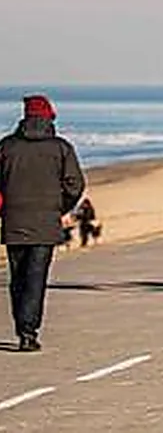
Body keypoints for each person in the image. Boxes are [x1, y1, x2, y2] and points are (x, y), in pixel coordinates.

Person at [0, 96, 85, 352]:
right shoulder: (61, 148)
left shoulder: (6, 147)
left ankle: (23, 327)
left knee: (18, 279)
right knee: (36, 278)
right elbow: (75, 185)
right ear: (49, 118)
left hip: (14, 221)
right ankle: (28, 332)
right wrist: (60, 207)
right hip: (45, 224)